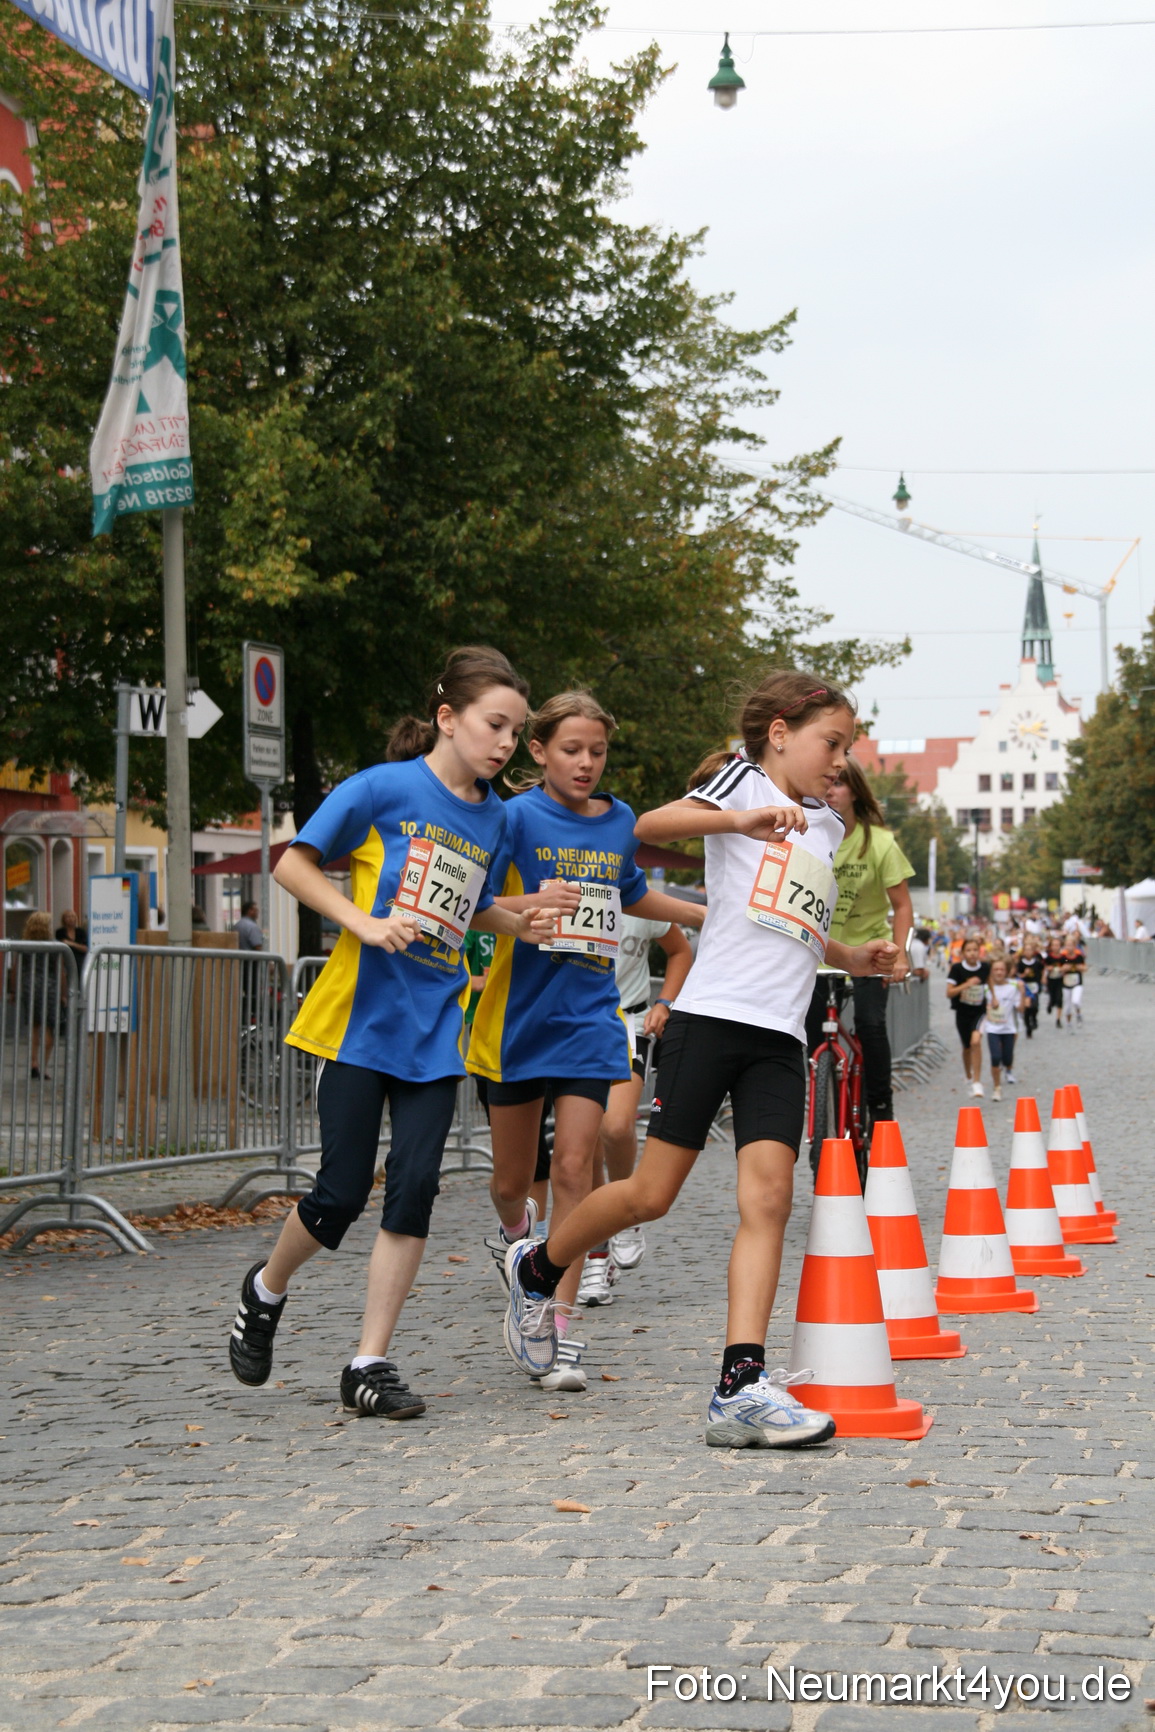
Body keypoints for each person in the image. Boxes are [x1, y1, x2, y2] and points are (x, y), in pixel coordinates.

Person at [499, 669, 899, 1450]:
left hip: (779, 1037)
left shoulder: (827, 826)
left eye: (848, 748)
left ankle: (739, 1384)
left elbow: (792, 926)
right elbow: (649, 820)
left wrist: (854, 952)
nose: (841, 762)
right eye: (831, 743)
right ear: (780, 733)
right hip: (709, 1021)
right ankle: (538, 1268)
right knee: (649, 1195)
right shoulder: (740, 781)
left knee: (771, 1200)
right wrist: (741, 818)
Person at [227, 646, 555, 1419]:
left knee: (413, 1188)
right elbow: (293, 864)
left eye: (515, 731)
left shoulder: (496, 817)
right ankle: (265, 1287)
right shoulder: (381, 788)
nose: (505, 744)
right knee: (339, 1195)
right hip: (357, 1025)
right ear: (448, 717)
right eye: (494, 725)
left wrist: (524, 922)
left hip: (435, 1029)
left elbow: (471, 906)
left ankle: (369, 1362)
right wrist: (364, 922)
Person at [467, 691, 707, 1394]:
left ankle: (554, 1322)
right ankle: (519, 1245)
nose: (585, 763)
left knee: (575, 1165)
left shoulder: (620, 819)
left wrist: (700, 910)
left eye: (596, 751)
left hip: (591, 1016)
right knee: (515, 1182)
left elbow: (630, 893)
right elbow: (475, 907)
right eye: (570, 749)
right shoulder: (511, 817)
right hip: (517, 1016)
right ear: (538, 751)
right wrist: (526, 907)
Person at [579, 910, 700, 1305]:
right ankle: (596, 1257)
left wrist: (664, 1002)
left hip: (628, 1021)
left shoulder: (637, 895)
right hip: (577, 1020)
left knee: (614, 1127)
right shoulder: (567, 881)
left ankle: (624, 1208)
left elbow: (680, 950)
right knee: (584, 1146)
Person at [804, 756, 912, 1146]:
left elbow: (901, 905)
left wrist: (899, 954)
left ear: (854, 792)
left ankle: (881, 1107)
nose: (831, 790)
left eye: (840, 784)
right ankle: (820, 1098)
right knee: (811, 1034)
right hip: (818, 956)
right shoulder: (807, 836)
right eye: (827, 783)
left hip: (870, 953)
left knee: (870, 1024)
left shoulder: (880, 842)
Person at [19, 910, 61, 1079]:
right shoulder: (54, 945)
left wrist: (15, 990)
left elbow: (17, 967)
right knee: (49, 1027)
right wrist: (65, 993)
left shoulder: (24, 944)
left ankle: (33, 1062)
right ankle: (43, 1066)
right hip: (49, 985)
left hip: (29, 984)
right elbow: (61, 970)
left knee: (35, 1026)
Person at [946, 934, 989, 1097]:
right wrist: (966, 985)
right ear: (963, 953)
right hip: (962, 1011)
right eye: (968, 950)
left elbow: (990, 984)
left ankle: (977, 1082)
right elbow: (949, 992)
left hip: (980, 1011)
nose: (972, 953)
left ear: (980, 952)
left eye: (975, 950)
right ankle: (968, 1075)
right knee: (966, 1047)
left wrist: (994, 999)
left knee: (976, 1041)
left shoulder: (985, 967)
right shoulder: (957, 969)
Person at [979, 958, 1024, 1101]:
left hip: (1008, 1028)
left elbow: (1020, 1008)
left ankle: (1008, 1069)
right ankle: (997, 1088)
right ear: (991, 971)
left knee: (1007, 1057)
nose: (999, 972)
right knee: (995, 1057)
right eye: (996, 969)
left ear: (1007, 971)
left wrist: (1022, 993)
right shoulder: (986, 988)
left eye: (1002, 970)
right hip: (992, 1028)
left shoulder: (1013, 986)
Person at [1014, 933, 1045, 1039]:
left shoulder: (1036, 962)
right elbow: (1017, 975)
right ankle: (1028, 1027)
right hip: (1025, 987)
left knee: (1035, 1006)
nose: (1028, 952)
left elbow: (1042, 969)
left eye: (1030, 950)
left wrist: (1043, 978)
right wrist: (1024, 974)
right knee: (1027, 1007)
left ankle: (1034, 1018)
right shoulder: (1020, 963)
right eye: (1026, 950)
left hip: (1035, 986)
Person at [1060, 934, 1086, 1028]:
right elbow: (1059, 969)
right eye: (1067, 945)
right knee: (1067, 1006)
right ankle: (1068, 1023)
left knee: (1075, 1001)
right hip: (1066, 983)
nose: (1069, 947)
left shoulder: (1078, 956)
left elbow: (1084, 968)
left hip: (1077, 982)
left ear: (1074, 946)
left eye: (1071, 945)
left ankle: (1079, 1014)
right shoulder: (1063, 957)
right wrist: (1063, 969)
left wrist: (1080, 968)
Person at [1043, 936, 1066, 1028]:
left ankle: (1058, 1019)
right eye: (1054, 945)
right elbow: (1044, 965)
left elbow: (1067, 962)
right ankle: (1050, 1004)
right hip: (1051, 979)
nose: (1056, 947)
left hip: (1060, 979)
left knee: (1059, 998)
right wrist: (1048, 969)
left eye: (1057, 945)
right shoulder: (1049, 957)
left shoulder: (1063, 957)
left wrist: (1064, 968)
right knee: (1052, 997)